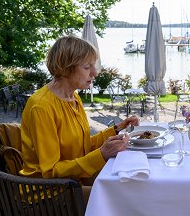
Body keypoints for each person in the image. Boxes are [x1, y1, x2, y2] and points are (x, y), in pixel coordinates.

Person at [20, 36, 139, 204]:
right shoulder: (41, 107)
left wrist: (117, 129)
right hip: (47, 193)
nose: (94, 73)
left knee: (131, 181)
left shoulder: (73, 97)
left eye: (93, 65)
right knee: (119, 198)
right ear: (66, 68)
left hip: (74, 180)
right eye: (86, 67)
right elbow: (50, 170)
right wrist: (102, 154)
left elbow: (82, 146)